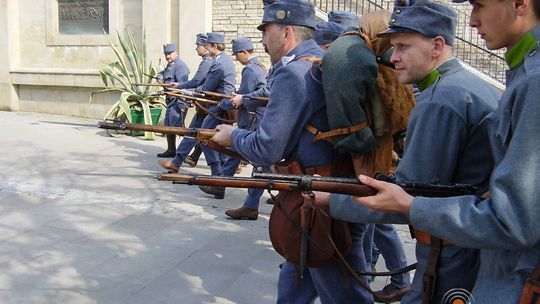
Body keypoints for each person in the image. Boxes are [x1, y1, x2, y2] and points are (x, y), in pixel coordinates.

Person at [351, 0, 540, 302]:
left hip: (472, 262)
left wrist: (329, 200)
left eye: (479, 6)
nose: (473, 20)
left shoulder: (444, 98)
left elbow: (412, 192)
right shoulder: (504, 76)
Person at [325, 1, 502, 303]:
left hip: (449, 255)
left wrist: (330, 199)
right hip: (467, 246)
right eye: (393, 46)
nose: (393, 57)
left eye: (404, 46)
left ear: (436, 46)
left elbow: (405, 197)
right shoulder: (467, 86)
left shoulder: (441, 101)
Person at [213, 1, 374, 302]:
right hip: (327, 194)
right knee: (294, 281)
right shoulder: (320, 62)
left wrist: (232, 136)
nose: (262, 40)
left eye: (266, 32)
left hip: (319, 206)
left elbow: (267, 148)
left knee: (345, 296)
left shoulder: (294, 74)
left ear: (286, 32)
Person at [159, 32, 236, 189]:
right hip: (216, 105)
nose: (204, 49)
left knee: (204, 138)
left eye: (207, 46)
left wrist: (185, 91)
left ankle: (218, 177)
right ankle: (180, 164)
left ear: (214, 46)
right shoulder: (224, 61)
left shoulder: (218, 63)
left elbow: (206, 87)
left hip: (217, 106)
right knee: (200, 135)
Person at [213, 37, 268, 220]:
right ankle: (219, 185)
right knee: (236, 153)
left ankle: (250, 206)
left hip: (252, 120)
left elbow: (242, 98)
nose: (236, 58)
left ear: (244, 52)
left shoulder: (251, 70)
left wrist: (223, 104)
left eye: (237, 54)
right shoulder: (259, 67)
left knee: (259, 166)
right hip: (254, 119)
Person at [166, 34, 213, 168]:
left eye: (198, 46)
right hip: (205, 104)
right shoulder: (209, 61)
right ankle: (179, 161)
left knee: (196, 133)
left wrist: (181, 88)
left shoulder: (207, 62)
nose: (196, 49)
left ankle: (178, 161)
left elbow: (197, 81)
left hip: (207, 105)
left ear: (205, 47)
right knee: (198, 134)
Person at [156, 43, 190, 158]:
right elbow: (165, 75)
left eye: (169, 54)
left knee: (178, 129)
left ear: (176, 53)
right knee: (168, 127)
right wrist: (160, 76)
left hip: (178, 101)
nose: (167, 57)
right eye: (166, 54)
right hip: (170, 101)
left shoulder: (181, 66)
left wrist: (182, 104)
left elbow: (183, 86)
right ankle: (171, 150)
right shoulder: (170, 65)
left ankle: (183, 152)